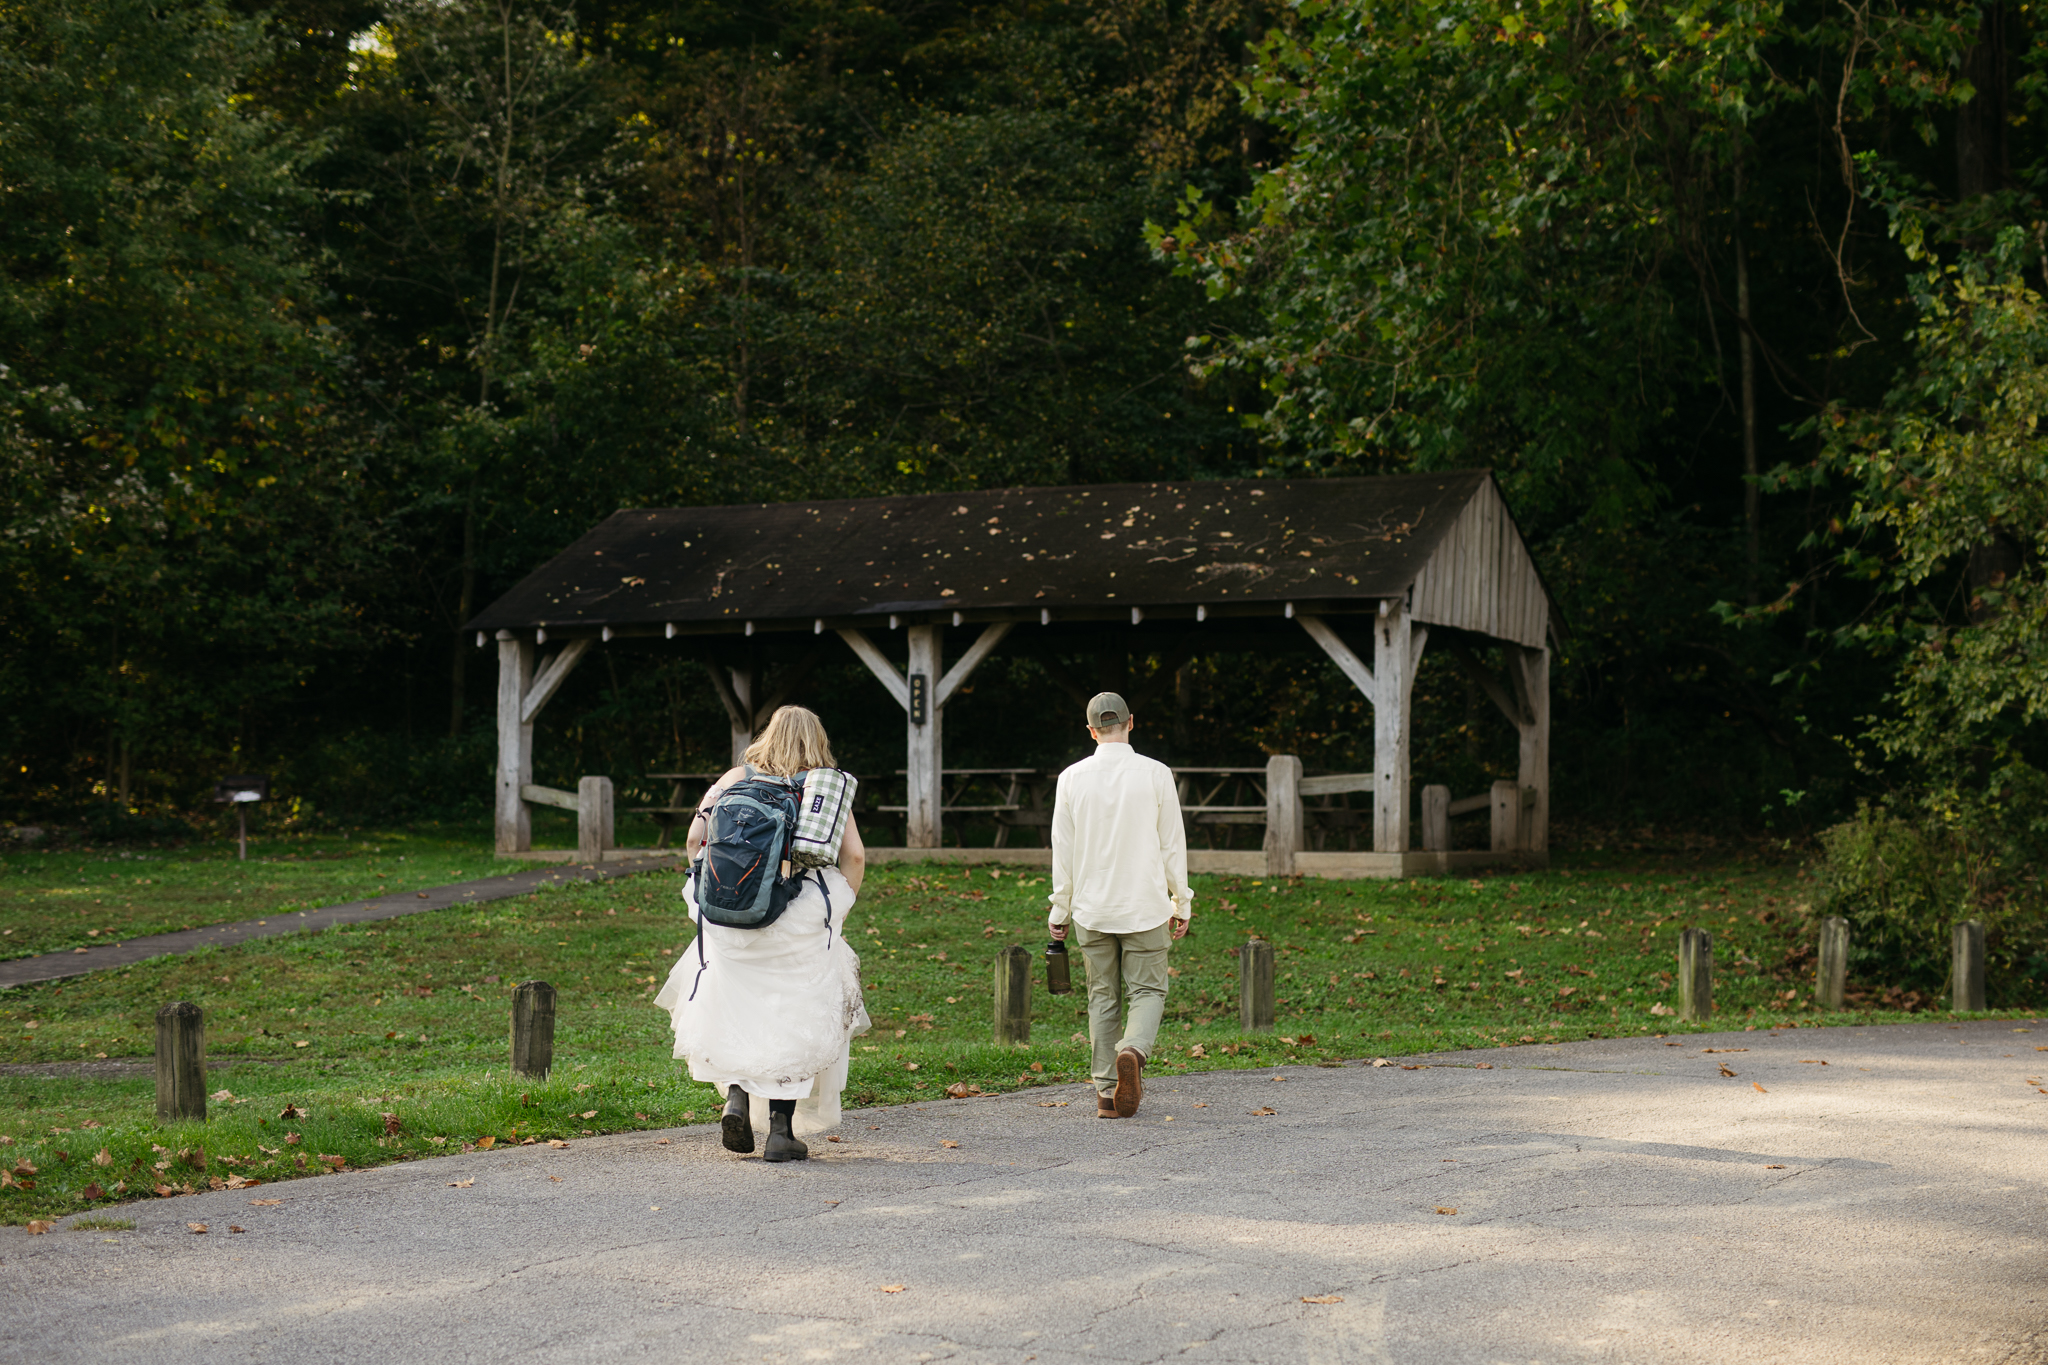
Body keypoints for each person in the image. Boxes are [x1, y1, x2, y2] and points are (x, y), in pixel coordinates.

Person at [651, 706, 869, 1162]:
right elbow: (855, 858)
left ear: (767, 735)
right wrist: (834, 907)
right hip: (799, 912)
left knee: (735, 1004)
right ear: (818, 739)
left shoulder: (735, 778)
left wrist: (709, 893)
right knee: (792, 1013)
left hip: (732, 914)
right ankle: (781, 1132)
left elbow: (695, 841)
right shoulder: (824, 787)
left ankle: (736, 1095)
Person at [1048, 691, 1192, 1119]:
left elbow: (1064, 851)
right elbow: (1172, 844)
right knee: (1147, 991)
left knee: (1102, 997)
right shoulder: (1156, 773)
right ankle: (1133, 1050)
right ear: (1132, 722)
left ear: (1090, 730)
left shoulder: (1071, 777)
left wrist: (1060, 909)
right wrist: (1180, 901)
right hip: (1145, 906)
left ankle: (1107, 1094)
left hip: (1092, 908)